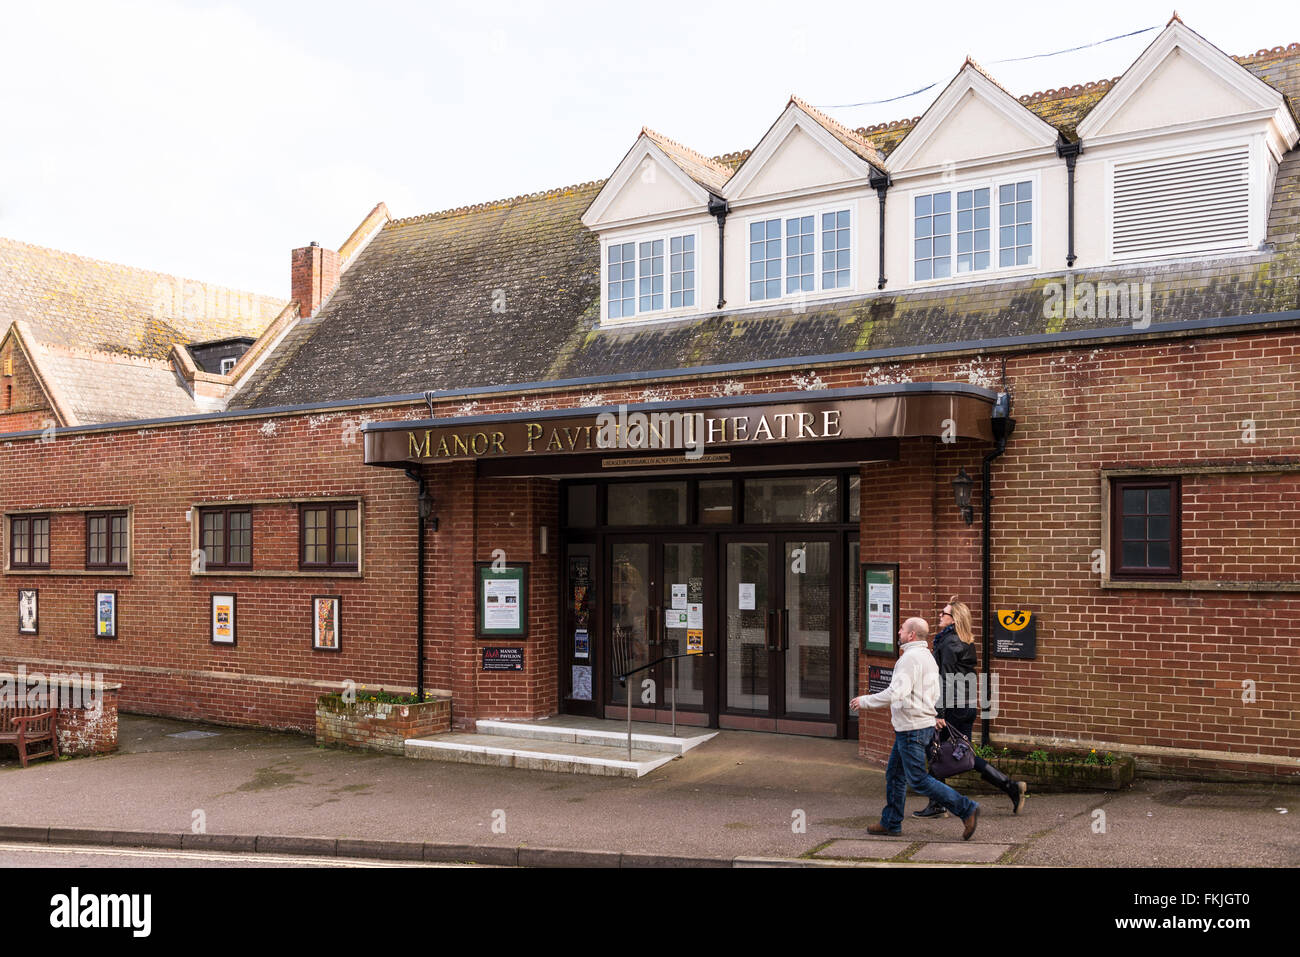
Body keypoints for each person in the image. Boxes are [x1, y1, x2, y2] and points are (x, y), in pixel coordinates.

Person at [850, 616, 980, 839]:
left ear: (911, 634)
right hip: (916, 725)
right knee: (895, 775)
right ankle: (890, 822)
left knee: (918, 778)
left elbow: (896, 693)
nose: (898, 632)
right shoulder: (927, 656)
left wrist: (865, 701)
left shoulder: (910, 659)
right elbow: (935, 690)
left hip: (912, 727)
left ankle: (966, 808)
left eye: (901, 629)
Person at [915, 598, 1027, 818]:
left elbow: (944, 679)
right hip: (966, 706)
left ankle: (938, 805)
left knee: (934, 749)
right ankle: (1011, 787)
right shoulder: (965, 641)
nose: (939, 616)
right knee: (964, 755)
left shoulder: (948, 643)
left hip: (951, 707)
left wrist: (939, 713)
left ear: (953, 620)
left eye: (943, 613)